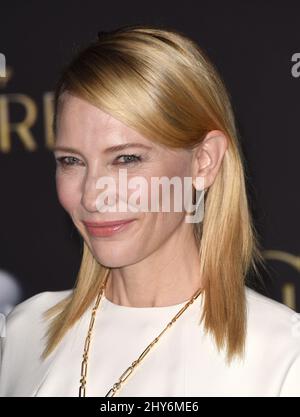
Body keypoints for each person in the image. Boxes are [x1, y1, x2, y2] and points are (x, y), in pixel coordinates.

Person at [0, 24, 299, 397]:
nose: (94, 196)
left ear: (203, 162)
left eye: (126, 159)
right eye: (71, 161)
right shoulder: (24, 333)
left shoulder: (282, 357)